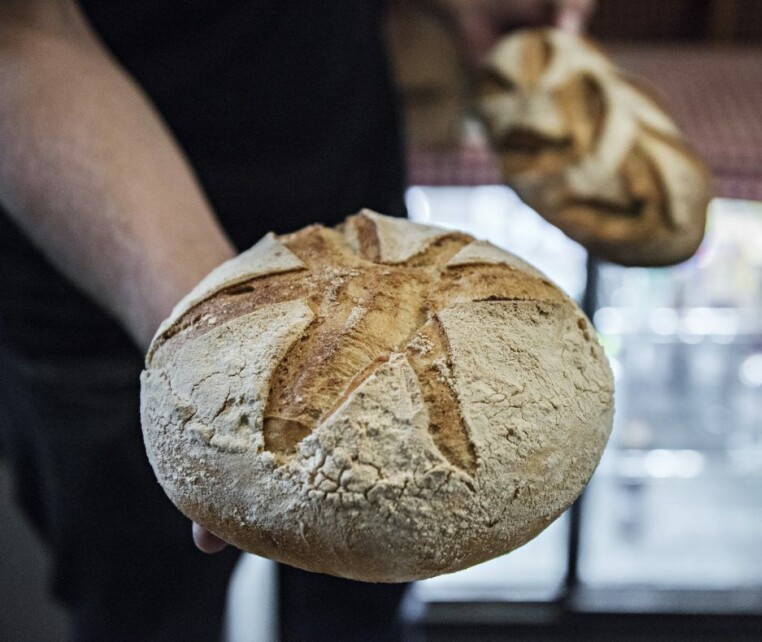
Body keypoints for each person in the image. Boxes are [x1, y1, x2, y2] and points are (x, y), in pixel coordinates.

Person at [0, 1, 593, 640]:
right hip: (105, 260)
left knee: (361, 605)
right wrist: (211, 349)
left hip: (356, 205)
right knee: (149, 612)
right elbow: (20, 38)